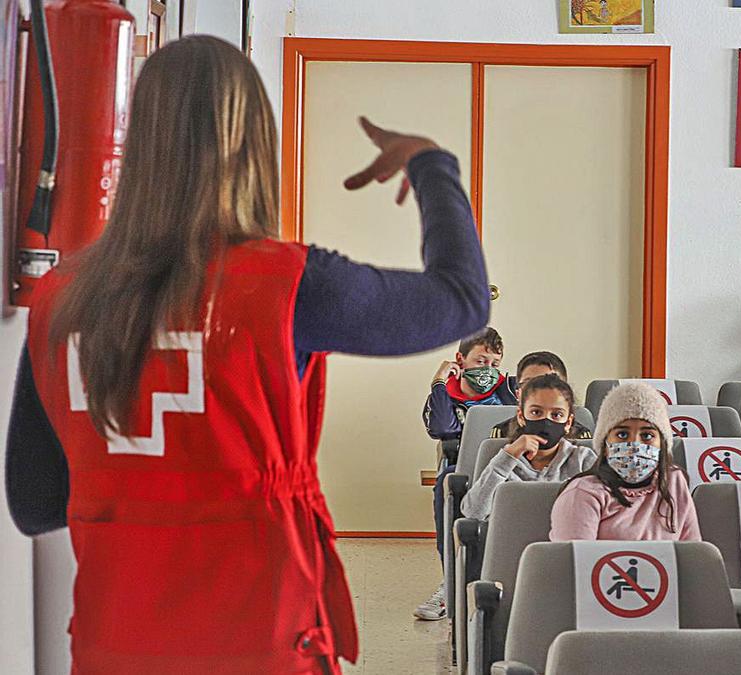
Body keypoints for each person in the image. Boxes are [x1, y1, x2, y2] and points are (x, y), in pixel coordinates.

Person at [3, 36, 489, 673]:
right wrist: (431, 165)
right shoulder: (288, 285)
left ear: (139, 142)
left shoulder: (61, 301)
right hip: (262, 642)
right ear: (254, 146)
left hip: (113, 647)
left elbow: (34, 502)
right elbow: (461, 301)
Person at [419, 326, 517, 620]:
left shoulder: (507, 390)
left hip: (508, 469)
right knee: (448, 480)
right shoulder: (446, 395)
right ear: (460, 361)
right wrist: (439, 381)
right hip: (465, 469)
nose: (488, 369)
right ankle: (449, 584)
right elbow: (441, 429)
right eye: (480, 361)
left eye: (494, 363)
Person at [549, 382, 700, 541]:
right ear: (605, 443)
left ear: (662, 443)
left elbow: (692, 553)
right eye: (622, 435)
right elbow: (575, 562)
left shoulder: (674, 482)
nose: (635, 445)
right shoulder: (583, 493)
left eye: (647, 435)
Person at [461, 374, 596, 520]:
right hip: (509, 541)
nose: (546, 421)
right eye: (536, 412)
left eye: (556, 414)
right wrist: (508, 456)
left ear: (568, 423)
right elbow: (473, 512)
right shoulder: (502, 459)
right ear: (521, 416)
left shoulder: (584, 460)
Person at [490, 351, 592, 441]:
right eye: (528, 384)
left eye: (548, 382)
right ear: (518, 394)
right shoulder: (502, 432)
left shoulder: (580, 436)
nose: (539, 391)